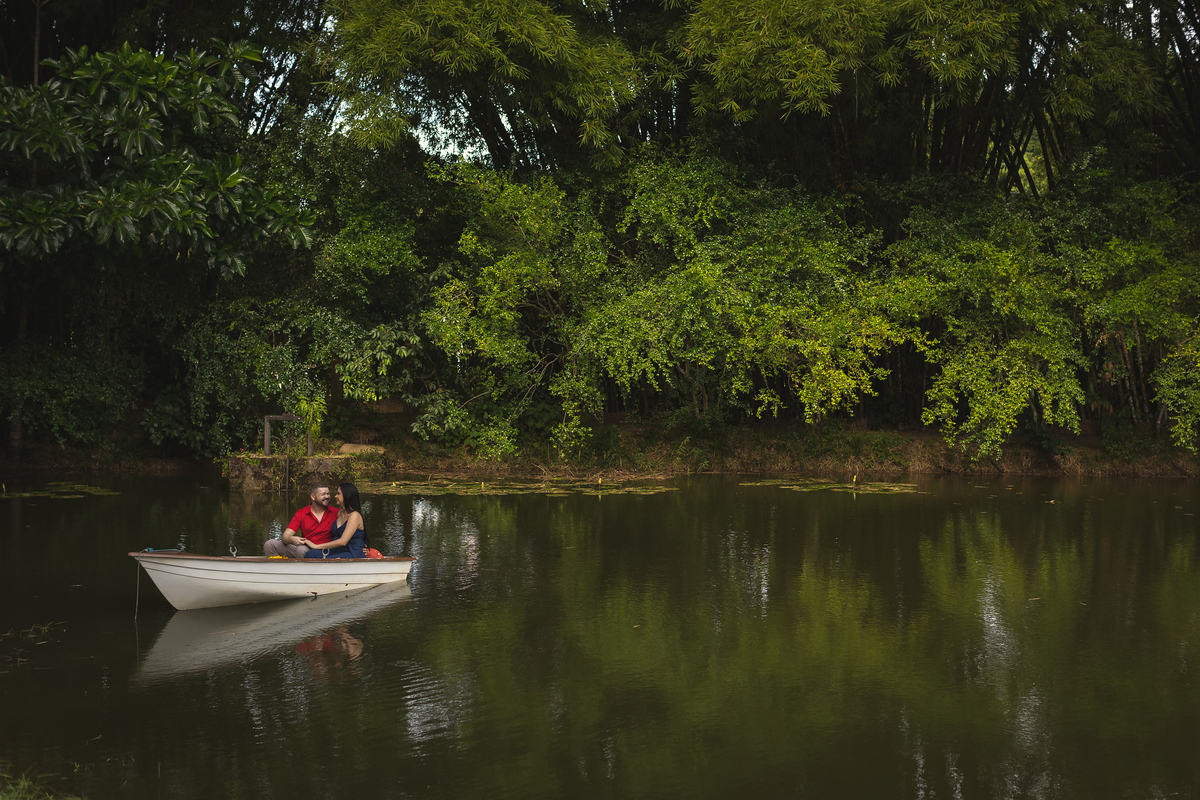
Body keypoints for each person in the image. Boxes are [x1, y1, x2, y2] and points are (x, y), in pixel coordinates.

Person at [263, 482, 338, 558]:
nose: (327, 496)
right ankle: (280, 569)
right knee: (270, 544)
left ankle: (306, 569)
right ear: (313, 497)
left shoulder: (336, 513)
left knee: (301, 550)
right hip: (305, 547)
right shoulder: (302, 513)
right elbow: (285, 537)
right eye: (323, 494)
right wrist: (292, 539)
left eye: (328, 494)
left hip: (325, 550)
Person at [304, 483, 369, 559]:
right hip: (337, 550)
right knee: (311, 554)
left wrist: (316, 546)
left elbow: (343, 541)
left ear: (347, 496)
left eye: (338, 494)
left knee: (331, 559)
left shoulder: (355, 515)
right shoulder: (340, 513)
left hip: (351, 552)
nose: (335, 496)